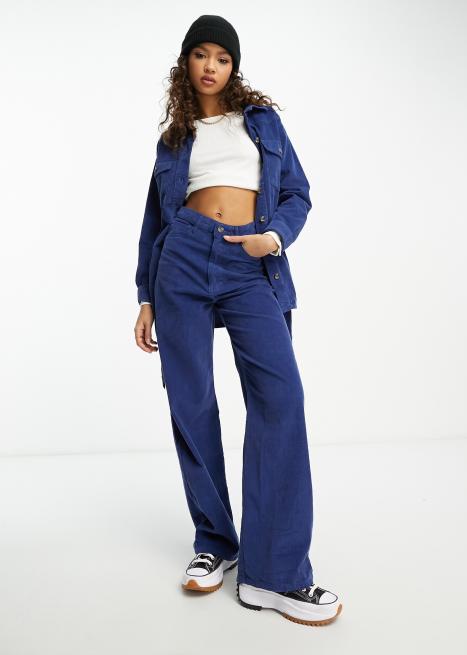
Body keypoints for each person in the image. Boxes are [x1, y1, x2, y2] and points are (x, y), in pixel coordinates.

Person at [134, 14, 342, 626]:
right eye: (201, 54)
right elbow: (153, 221)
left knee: (280, 397)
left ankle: (273, 575)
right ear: (186, 62)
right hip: (181, 259)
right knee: (190, 400)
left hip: (250, 260)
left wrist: (272, 238)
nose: (211, 66)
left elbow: (298, 193)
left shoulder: (262, 122)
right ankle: (215, 542)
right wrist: (145, 296)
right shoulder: (174, 139)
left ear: (234, 67)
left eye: (222, 58)